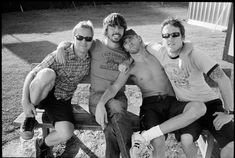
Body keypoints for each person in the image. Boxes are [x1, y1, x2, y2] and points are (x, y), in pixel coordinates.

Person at [96, 29, 207, 158]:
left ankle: (145, 136)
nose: (129, 43)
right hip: (151, 106)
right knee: (157, 140)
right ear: (125, 49)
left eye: (131, 38)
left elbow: (184, 44)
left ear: (139, 38)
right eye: (125, 42)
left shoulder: (158, 54)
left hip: (172, 101)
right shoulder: (129, 67)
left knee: (199, 108)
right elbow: (114, 87)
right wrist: (101, 103)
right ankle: (151, 134)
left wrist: (185, 50)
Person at [143, 17, 234, 158]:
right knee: (186, 140)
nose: (170, 39)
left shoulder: (195, 55)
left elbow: (223, 79)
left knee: (231, 145)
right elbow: (141, 44)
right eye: (166, 35)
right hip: (188, 107)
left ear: (183, 37)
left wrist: (229, 113)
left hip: (210, 106)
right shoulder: (160, 51)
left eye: (175, 34)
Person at [56, 13, 134, 158]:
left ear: (124, 30)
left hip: (117, 97)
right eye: (112, 27)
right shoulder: (96, 45)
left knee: (111, 127)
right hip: (96, 98)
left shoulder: (126, 53)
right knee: (117, 113)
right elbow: (76, 42)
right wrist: (61, 46)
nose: (116, 31)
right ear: (106, 29)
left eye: (120, 27)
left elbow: (116, 87)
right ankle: (129, 155)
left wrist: (128, 60)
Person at [20, 20, 93, 157]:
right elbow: (32, 73)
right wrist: (25, 101)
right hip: (43, 94)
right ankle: (30, 116)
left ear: (92, 40)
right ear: (74, 38)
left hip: (61, 99)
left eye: (88, 38)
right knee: (47, 73)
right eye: (80, 37)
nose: (84, 41)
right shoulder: (60, 54)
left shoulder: (90, 57)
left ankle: (42, 144)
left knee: (67, 132)